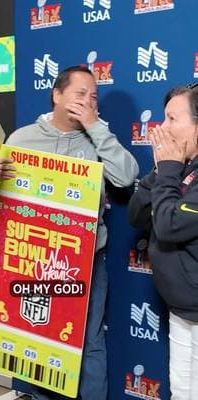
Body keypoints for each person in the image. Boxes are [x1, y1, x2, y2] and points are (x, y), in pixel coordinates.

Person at [0, 66, 139, 400]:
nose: (88, 101)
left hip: (86, 262)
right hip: (37, 261)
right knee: (34, 334)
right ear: (56, 95)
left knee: (89, 340)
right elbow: (3, 198)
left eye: (94, 97)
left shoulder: (99, 136)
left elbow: (127, 177)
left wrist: (94, 127)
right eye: (80, 94)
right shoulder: (22, 138)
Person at [128, 83, 198, 400]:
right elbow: (139, 215)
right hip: (181, 307)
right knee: (183, 390)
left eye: (172, 119)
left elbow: (169, 225)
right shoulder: (177, 166)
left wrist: (168, 168)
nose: (162, 128)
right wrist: (161, 170)